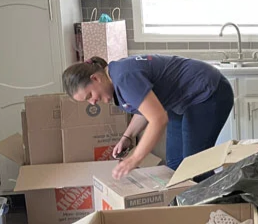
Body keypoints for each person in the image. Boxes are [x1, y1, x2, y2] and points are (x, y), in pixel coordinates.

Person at [62, 55, 234, 179]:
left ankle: (220, 212)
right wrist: (127, 137)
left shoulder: (124, 78)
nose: (92, 102)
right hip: (182, 102)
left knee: (194, 167)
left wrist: (134, 159)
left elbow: (158, 119)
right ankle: (181, 210)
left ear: (95, 78)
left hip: (208, 92)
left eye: (89, 96)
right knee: (174, 167)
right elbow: (147, 110)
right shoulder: (116, 81)